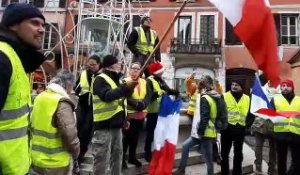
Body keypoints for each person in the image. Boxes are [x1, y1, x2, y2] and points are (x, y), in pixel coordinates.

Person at [0, 4, 46, 174]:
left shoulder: (16, 59)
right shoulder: (3, 58)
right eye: (35, 23)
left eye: (43, 25)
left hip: (16, 167)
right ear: (13, 25)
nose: (41, 30)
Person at [91, 54, 138, 175]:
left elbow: (122, 102)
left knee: (117, 156)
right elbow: (107, 96)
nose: (120, 65)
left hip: (117, 125)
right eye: (118, 63)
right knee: (102, 158)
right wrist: (123, 88)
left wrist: (125, 119)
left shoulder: (117, 80)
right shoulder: (100, 79)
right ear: (111, 65)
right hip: (104, 125)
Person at [30, 71, 80, 175]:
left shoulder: (40, 97)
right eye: (72, 87)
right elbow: (69, 134)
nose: (72, 91)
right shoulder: (62, 102)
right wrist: (76, 153)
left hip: (36, 158)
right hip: (56, 162)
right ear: (68, 85)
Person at [144, 61, 179, 162]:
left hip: (161, 112)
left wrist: (176, 92)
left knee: (159, 133)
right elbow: (149, 97)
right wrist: (160, 92)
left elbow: (168, 90)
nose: (162, 74)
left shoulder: (160, 80)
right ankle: (147, 153)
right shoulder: (149, 81)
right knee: (150, 133)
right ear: (156, 72)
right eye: (161, 72)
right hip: (152, 112)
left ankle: (156, 151)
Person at [221, 80, 254, 175]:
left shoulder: (247, 98)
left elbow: (251, 114)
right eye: (233, 84)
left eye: (237, 85)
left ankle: (237, 172)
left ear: (241, 87)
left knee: (238, 154)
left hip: (240, 129)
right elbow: (219, 112)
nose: (234, 86)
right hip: (226, 129)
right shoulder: (225, 96)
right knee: (224, 154)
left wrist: (246, 125)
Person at [122, 62, 152, 168]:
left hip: (140, 115)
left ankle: (132, 157)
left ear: (140, 71)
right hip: (129, 115)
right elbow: (125, 96)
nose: (135, 71)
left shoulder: (144, 82)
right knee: (126, 139)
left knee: (135, 139)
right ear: (129, 70)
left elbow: (149, 95)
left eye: (137, 69)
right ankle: (122, 160)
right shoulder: (125, 81)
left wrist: (144, 103)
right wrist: (136, 104)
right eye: (133, 68)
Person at [74, 55, 101, 163]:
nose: (92, 66)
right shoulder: (84, 73)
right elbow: (76, 88)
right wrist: (78, 90)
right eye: (90, 64)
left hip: (93, 106)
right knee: (76, 125)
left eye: (94, 64)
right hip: (82, 103)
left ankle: (81, 152)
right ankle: (74, 150)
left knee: (86, 130)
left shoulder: (101, 76)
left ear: (99, 64)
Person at [271, 79, 300, 175]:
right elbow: (270, 116)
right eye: (283, 86)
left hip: (296, 134)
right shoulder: (275, 100)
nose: (285, 88)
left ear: (292, 87)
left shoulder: (299, 100)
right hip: (281, 134)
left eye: (287, 85)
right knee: (281, 160)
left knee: (297, 160)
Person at [251, 81, 280, 175]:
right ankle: (258, 168)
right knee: (258, 147)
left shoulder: (281, 92)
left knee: (273, 149)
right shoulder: (261, 90)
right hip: (260, 123)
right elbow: (254, 106)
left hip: (274, 124)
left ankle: (272, 169)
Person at [196, 75, 223, 175]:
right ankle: (217, 156)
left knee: (208, 158)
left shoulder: (209, 96)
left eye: (205, 82)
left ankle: (217, 157)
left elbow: (206, 116)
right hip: (212, 127)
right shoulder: (213, 95)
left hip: (208, 128)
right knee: (212, 146)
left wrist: (200, 131)